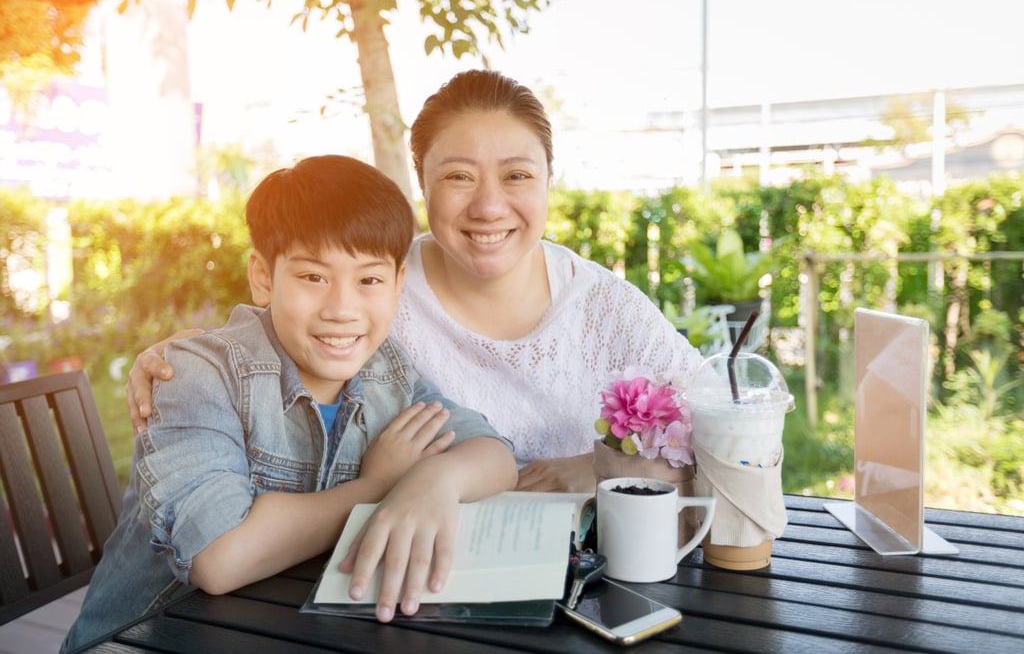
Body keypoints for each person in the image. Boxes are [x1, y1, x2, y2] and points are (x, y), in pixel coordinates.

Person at [126, 69, 703, 495]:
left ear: (549, 181)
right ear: (421, 185)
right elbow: (281, 328)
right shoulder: (379, 284)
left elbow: (723, 417)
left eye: (517, 175)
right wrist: (175, 357)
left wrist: (595, 464)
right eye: (457, 176)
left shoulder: (604, 305)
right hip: (412, 561)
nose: (488, 205)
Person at [63, 155, 516, 652]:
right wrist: (381, 484)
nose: (343, 309)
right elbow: (218, 558)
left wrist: (435, 479)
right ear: (262, 277)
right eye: (313, 278)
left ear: (397, 284)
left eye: (369, 280)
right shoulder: (197, 375)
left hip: (285, 629)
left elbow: (493, 455)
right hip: (146, 640)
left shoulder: (385, 369)